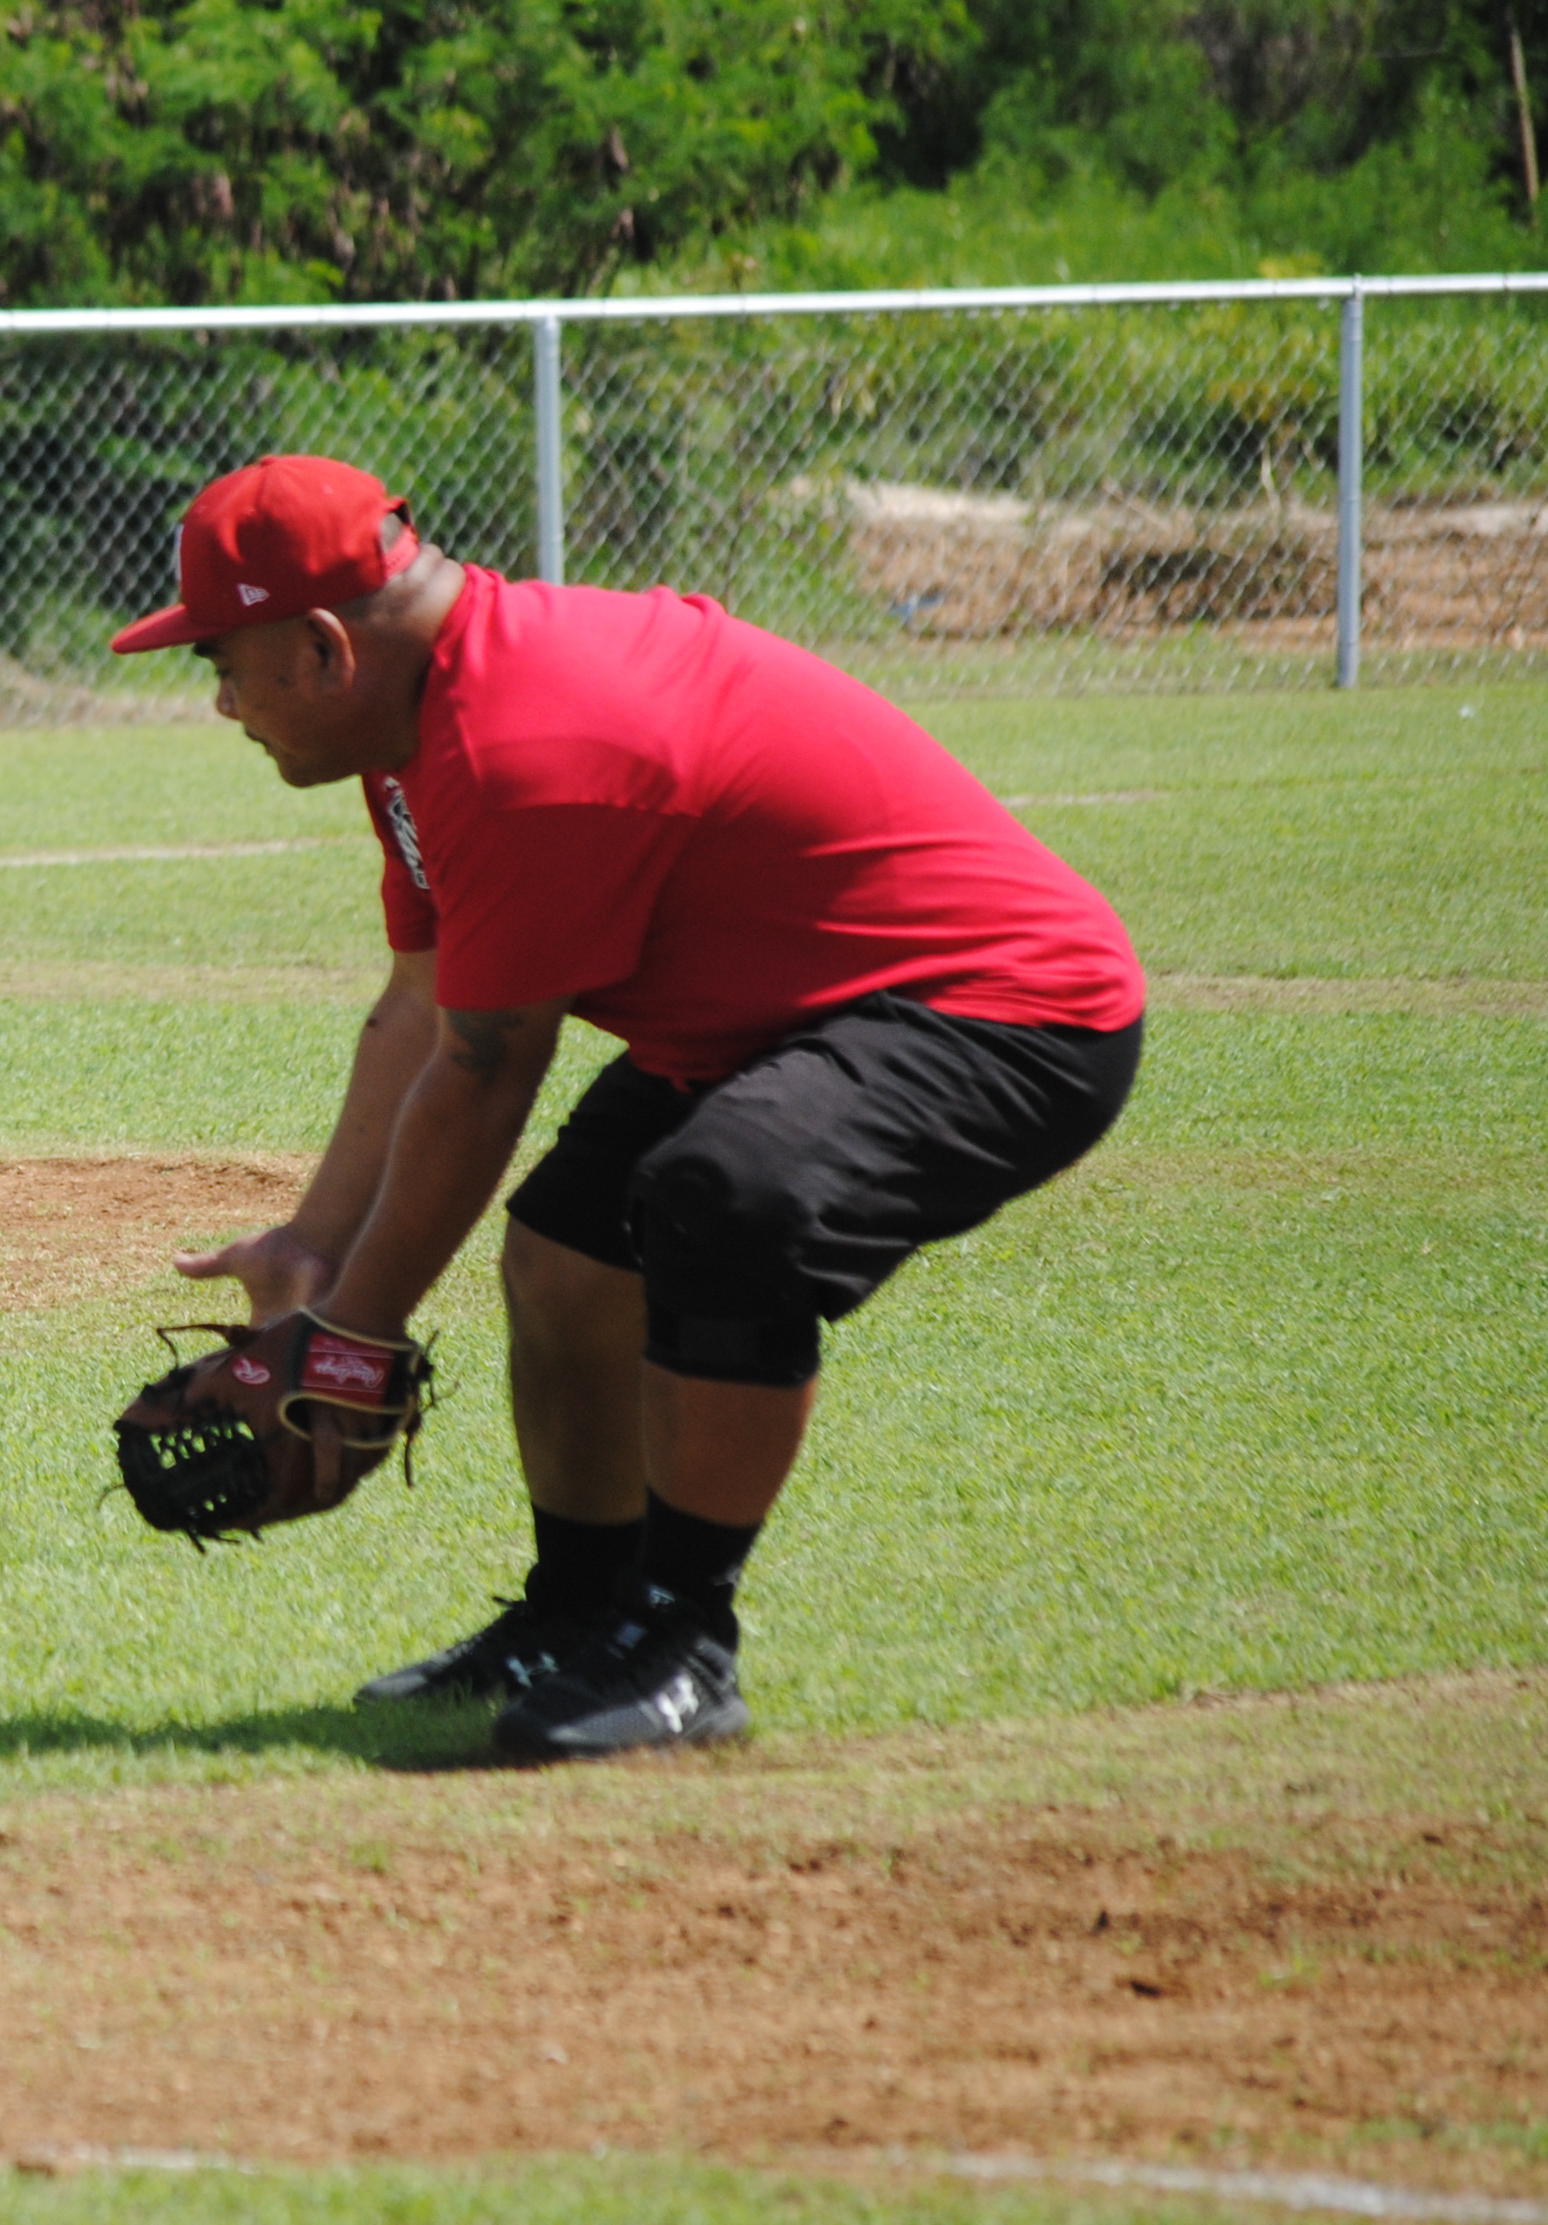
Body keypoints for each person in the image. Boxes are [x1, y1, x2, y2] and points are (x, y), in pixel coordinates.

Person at [125, 455, 1144, 1760]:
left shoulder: (518, 741)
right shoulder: (421, 722)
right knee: (563, 1259)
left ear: (323, 649)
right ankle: (582, 1611)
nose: (219, 700)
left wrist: (348, 1346)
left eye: (223, 660)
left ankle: (679, 1640)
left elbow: (490, 1072)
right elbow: (427, 1000)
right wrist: (317, 1250)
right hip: (786, 1014)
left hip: (1004, 1012)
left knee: (728, 1204)